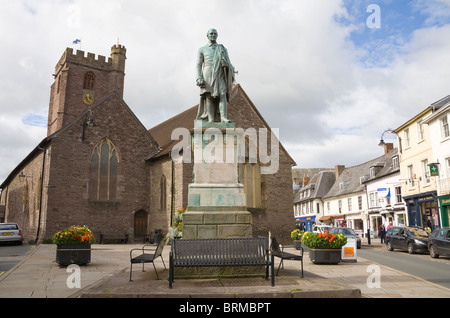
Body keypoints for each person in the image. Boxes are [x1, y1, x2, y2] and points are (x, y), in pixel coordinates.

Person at [196, 28, 235, 123]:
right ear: (207, 35)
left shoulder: (222, 48)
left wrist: (226, 64)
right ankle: (211, 119)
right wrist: (199, 77)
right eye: (211, 34)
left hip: (219, 73)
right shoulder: (202, 49)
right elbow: (199, 64)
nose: (213, 35)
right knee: (208, 96)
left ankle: (223, 117)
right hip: (207, 72)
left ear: (217, 35)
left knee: (223, 94)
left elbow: (229, 63)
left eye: (215, 34)